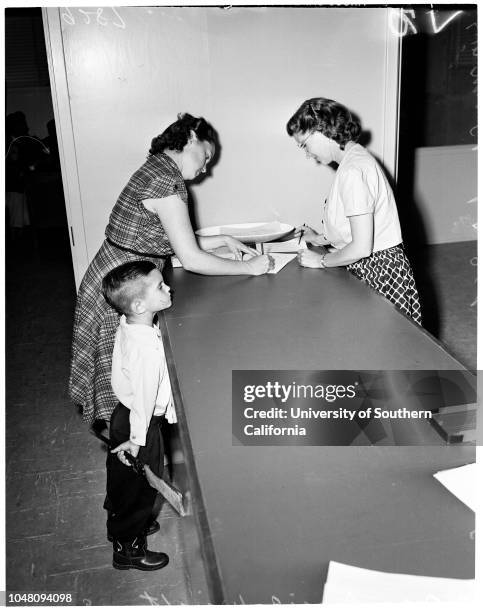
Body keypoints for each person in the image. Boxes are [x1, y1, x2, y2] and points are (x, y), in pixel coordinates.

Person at [70, 113, 274, 425]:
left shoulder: (157, 167)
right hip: (128, 285)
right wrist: (249, 268)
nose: (205, 168)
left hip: (117, 273)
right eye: (205, 157)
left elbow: (160, 236)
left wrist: (223, 239)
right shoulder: (166, 180)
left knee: (127, 379)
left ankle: (133, 448)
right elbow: (190, 258)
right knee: (131, 385)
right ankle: (135, 455)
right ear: (191, 137)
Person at [286, 98, 421, 324]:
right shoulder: (353, 160)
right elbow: (352, 227)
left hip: (378, 272)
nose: (307, 154)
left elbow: (360, 247)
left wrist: (320, 261)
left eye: (304, 145)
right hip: (374, 264)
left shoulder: (353, 171)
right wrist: (319, 238)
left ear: (321, 131)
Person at [101, 260, 173, 571]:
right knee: (143, 486)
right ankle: (128, 548)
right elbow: (145, 398)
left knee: (123, 482)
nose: (168, 288)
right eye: (160, 286)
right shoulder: (145, 349)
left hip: (124, 415)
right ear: (139, 303)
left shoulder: (130, 323)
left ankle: (121, 527)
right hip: (139, 425)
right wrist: (137, 440)